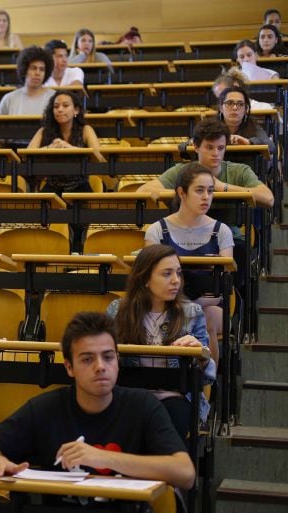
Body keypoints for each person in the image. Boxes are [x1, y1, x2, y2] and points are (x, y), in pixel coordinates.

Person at [0, 311, 196, 491]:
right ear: (69, 367)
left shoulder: (144, 406)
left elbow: (185, 472)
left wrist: (103, 458)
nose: (100, 367)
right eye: (87, 359)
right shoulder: (45, 408)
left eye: (108, 357)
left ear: (117, 360)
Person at [107, 244, 217, 439]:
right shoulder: (117, 310)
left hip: (175, 397)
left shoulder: (191, 313)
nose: (176, 280)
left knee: (167, 425)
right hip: (131, 395)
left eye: (178, 273)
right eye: (167, 274)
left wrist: (200, 354)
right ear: (146, 279)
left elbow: (207, 375)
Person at [144, 162, 233, 364]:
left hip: (209, 304)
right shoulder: (157, 230)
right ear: (181, 193)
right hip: (163, 302)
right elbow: (150, 278)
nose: (206, 197)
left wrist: (189, 306)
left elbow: (222, 289)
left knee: (202, 317)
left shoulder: (222, 231)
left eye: (210, 191)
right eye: (199, 190)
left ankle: (206, 385)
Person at [138, 118, 274, 208]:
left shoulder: (239, 171)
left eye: (221, 148)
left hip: (230, 237)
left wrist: (223, 187)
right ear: (196, 147)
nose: (216, 153)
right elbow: (143, 191)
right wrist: (191, 193)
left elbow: (268, 199)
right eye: (209, 147)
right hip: (188, 232)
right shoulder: (182, 171)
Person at [28, 90, 104, 189]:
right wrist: (49, 147)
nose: (60, 109)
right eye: (56, 106)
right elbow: (27, 154)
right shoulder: (44, 131)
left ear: (76, 110)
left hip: (79, 185)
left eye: (65, 105)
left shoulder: (86, 130)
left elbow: (99, 158)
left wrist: (70, 148)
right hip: (52, 185)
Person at [0, 46, 55, 115]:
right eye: (33, 68)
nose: (37, 73)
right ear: (24, 70)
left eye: (42, 69)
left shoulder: (54, 98)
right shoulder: (9, 99)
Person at [217, 85, 275, 154]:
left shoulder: (252, 126)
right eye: (229, 103)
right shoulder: (211, 127)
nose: (235, 108)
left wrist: (249, 142)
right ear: (221, 108)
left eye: (240, 104)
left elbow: (271, 147)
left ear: (245, 109)